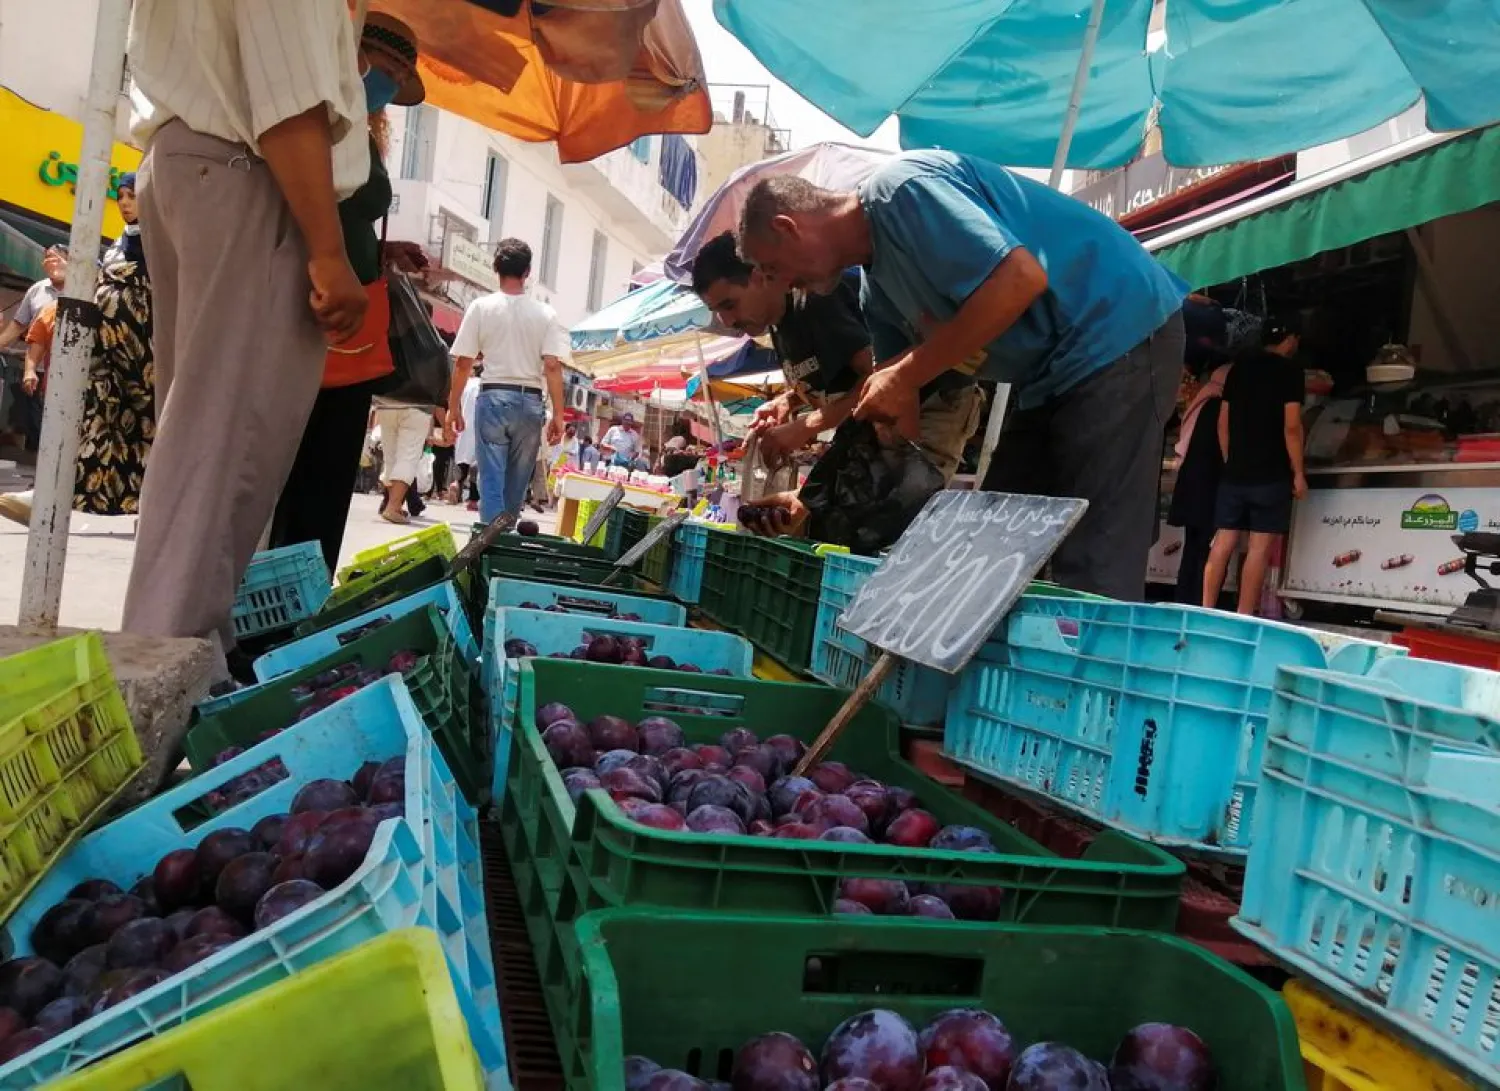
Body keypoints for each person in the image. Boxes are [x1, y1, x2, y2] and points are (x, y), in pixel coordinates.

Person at [736, 152, 1187, 600]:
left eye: (773, 270)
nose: (784, 285)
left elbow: (1019, 279)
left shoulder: (901, 190)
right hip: (1048, 377)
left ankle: (1096, 667)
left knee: (1095, 557)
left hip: (1118, 326)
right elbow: (895, 424)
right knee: (991, 549)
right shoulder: (878, 297)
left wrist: (908, 372)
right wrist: (817, 503)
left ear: (786, 227)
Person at [122, 0, 370, 665]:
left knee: (200, 438)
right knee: (223, 450)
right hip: (249, 174)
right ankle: (172, 671)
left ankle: (171, 661)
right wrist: (327, 247)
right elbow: (286, 95)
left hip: (200, 164)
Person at [270, 13, 427, 569]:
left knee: (330, 467)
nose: (387, 84)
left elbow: (351, 214)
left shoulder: (363, 136)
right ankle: (268, 590)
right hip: (303, 307)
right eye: (385, 69)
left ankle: (307, 588)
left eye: (399, 75)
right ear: (349, 57)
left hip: (351, 322)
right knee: (289, 465)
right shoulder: (311, 119)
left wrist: (385, 251)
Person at [691, 231, 979, 481]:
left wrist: (808, 425)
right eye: (717, 311)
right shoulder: (778, 323)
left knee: (904, 509)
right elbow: (831, 372)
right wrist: (787, 401)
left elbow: (881, 377)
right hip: (884, 426)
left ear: (757, 278)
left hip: (935, 401)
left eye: (729, 304)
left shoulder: (816, 303)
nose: (727, 320)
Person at [0, 179, 157, 528]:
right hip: (105, 361)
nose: (124, 204)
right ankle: (50, 498)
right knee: (95, 428)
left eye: (133, 196)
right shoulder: (122, 242)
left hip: (145, 361)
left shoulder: (164, 238)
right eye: (120, 197)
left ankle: (155, 507)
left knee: (149, 429)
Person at [445, 238, 567, 524]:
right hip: (529, 402)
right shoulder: (546, 314)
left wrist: (453, 407)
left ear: (496, 269)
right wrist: (559, 415)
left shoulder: (480, 307)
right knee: (517, 480)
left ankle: (491, 540)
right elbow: (552, 365)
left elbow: (463, 363)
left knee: (490, 479)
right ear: (528, 273)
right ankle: (505, 536)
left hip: (493, 397)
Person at [1202, 316, 1307, 615]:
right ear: (1290, 340)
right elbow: (1291, 427)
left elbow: (1223, 422)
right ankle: (1243, 616)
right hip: (1271, 476)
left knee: (1223, 541)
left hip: (1235, 474)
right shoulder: (1290, 372)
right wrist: (1298, 472)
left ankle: (1206, 609)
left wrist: (1230, 459)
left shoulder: (1239, 370)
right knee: (1258, 550)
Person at [1166, 355, 1230, 605]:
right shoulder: (1219, 407)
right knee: (1204, 548)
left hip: (1192, 489)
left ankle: (1184, 598)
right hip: (1208, 490)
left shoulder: (1203, 402)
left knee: (1192, 548)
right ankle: (1196, 601)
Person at [0, 245, 67, 457]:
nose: (51, 263)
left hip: (70, 373)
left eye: (56, 259)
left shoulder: (86, 290)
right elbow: (21, 326)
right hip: (40, 370)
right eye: (46, 259)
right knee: (40, 425)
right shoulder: (38, 291)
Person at [447, 362, 482, 508]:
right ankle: (473, 499)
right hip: (480, 426)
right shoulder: (485, 386)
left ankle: (457, 483)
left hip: (463, 424)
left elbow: (455, 401)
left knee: (463, 459)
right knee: (477, 463)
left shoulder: (467, 384)